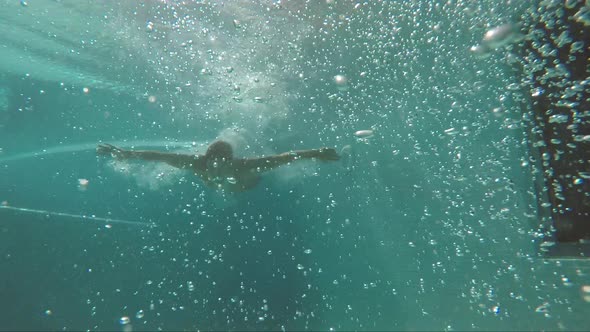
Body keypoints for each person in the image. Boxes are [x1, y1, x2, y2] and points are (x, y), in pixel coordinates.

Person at [96, 141, 340, 192]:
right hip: (218, 187)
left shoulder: (245, 166)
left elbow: (284, 157)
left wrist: (317, 153)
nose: (214, 162)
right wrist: (124, 153)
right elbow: (158, 155)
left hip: (248, 187)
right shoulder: (197, 162)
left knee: (258, 175)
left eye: (219, 158)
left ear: (230, 159)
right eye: (212, 157)